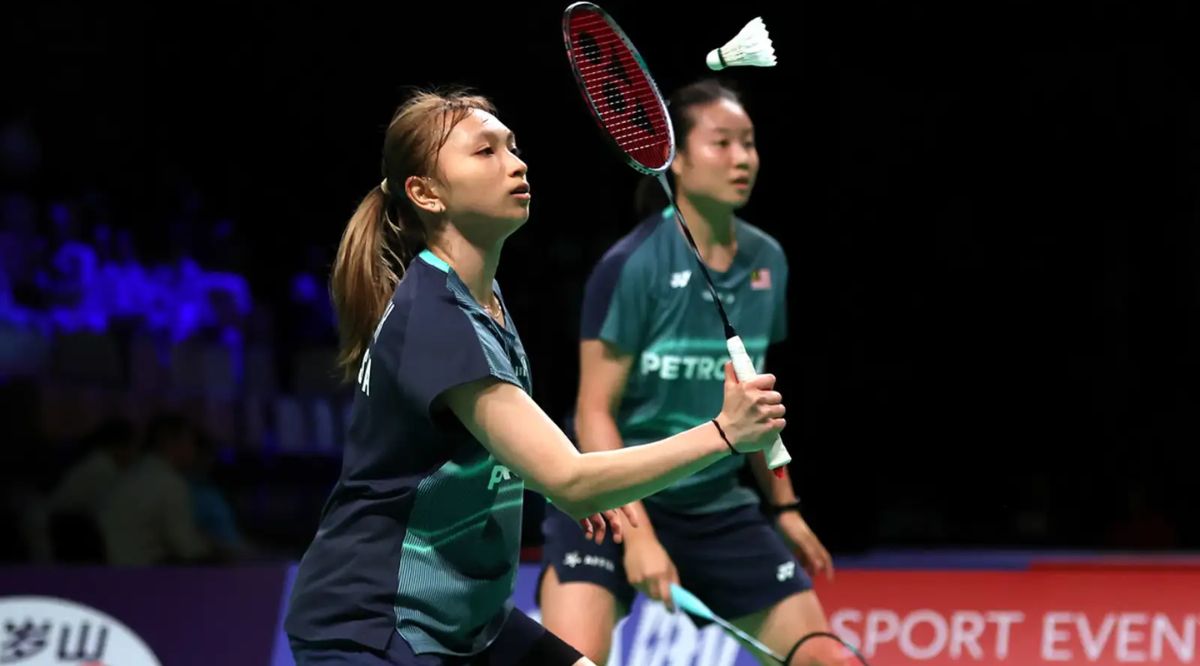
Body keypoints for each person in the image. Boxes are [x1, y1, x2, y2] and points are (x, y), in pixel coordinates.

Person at [282, 87, 789, 666]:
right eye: (486, 152)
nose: (517, 164)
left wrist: (556, 480)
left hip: (463, 614)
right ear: (425, 194)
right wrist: (724, 434)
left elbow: (484, 453)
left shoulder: (480, 297)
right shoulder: (437, 319)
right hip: (376, 622)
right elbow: (571, 479)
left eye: (513, 147)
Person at [536, 79, 839, 666]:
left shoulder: (767, 261)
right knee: (574, 660)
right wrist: (640, 538)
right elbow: (593, 414)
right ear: (674, 159)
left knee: (825, 658)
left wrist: (786, 508)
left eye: (748, 143)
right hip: (614, 497)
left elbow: (755, 406)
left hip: (712, 502)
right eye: (722, 143)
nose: (742, 158)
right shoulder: (631, 265)